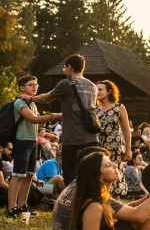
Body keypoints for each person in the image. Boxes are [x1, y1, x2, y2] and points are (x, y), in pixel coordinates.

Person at [22, 54, 98, 186]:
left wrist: (29, 98)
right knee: (90, 174)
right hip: (92, 138)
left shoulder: (66, 83)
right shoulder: (93, 86)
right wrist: (59, 115)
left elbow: (45, 98)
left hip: (73, 138)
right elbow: (81, 110)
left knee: (70, 175)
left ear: (69, 67)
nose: (65, 71)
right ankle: (89, 204)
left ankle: (71, 204)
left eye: (64, 69)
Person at [8, 75, 61, 218]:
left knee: (30, 175)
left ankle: (22, 207)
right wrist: (55, 117)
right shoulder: (19, 103)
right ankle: (11, 209)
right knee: (17, 175)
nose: (35, 87)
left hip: (33, 142)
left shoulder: (32, 103)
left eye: (36, 85)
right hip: (22, 141)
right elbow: (34, 119)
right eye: (31, 84)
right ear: (22, 88)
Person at [95, 80, 131, 200]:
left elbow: (126, 130)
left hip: (115, 146)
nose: (97, 91)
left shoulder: (119, 107)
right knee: (100, 174)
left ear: (110, 91)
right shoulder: (94, 109)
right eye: (96, 89)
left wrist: (128, 149)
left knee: (114, 174)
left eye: (100, 89)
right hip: (99, 146)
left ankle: (116, 209)